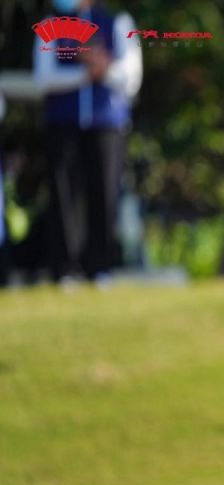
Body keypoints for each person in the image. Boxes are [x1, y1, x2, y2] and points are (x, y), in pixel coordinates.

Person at [33, 0, 142, 286]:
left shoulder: (118, 22)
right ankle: (65, 269)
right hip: (63, 124)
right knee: (63, 196)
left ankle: (100, 267)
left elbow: (131, 77)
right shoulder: (50, 26)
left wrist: (103, 69)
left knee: (104, 194)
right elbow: (43, 78)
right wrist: (83, 74)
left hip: (106, 125)